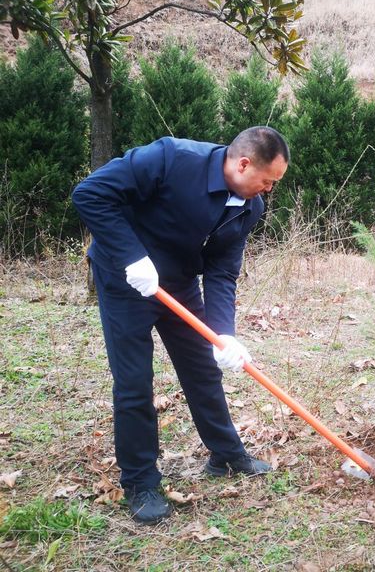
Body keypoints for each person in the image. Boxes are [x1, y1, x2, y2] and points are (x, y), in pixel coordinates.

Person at [72, 127, 289, 525]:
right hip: (126, 279)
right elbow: (89, 194)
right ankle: (140, 481)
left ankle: (225, 454)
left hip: (179, 285)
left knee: (203, 368)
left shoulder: (248, 207)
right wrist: (132, 257)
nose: (269, 190)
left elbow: (223, 271)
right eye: (267, 181)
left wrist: (223, 333)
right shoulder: (170, 159)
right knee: (135, 380)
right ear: (243, 164)